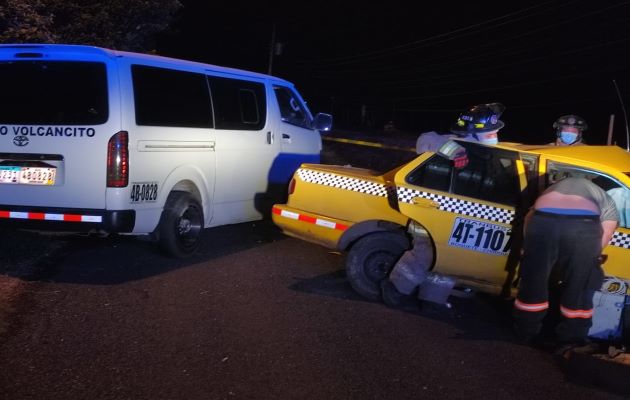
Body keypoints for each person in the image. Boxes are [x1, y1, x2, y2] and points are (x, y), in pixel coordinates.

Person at [380, 103, 507, 308]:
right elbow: (425, 139)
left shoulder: (487, 156)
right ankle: (394, 289)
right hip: (432, 213)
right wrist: (454, 151)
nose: (496, 134)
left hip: (460, 219)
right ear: (474, 132)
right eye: (492, 131)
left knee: (449, 262)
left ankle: (432, 300)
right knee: (423, 255)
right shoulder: (453, 144)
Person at [512, 176, 619, 349]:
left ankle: (525, 332)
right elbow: (604, 236)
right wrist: (586, 260)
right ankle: (571, 338)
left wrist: (529, 246)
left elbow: (528, 218)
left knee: (534, 280)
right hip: (582, 225)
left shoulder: (553, 188)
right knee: (579, 284)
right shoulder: (607, 200)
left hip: (542, 219)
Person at [416, 102, 505, 168]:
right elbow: (425, 139)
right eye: (490, 134)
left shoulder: (501, 153)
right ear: (471, 133)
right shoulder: (457, 143)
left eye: (495, 132)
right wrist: (455, 151)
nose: (494, 136)